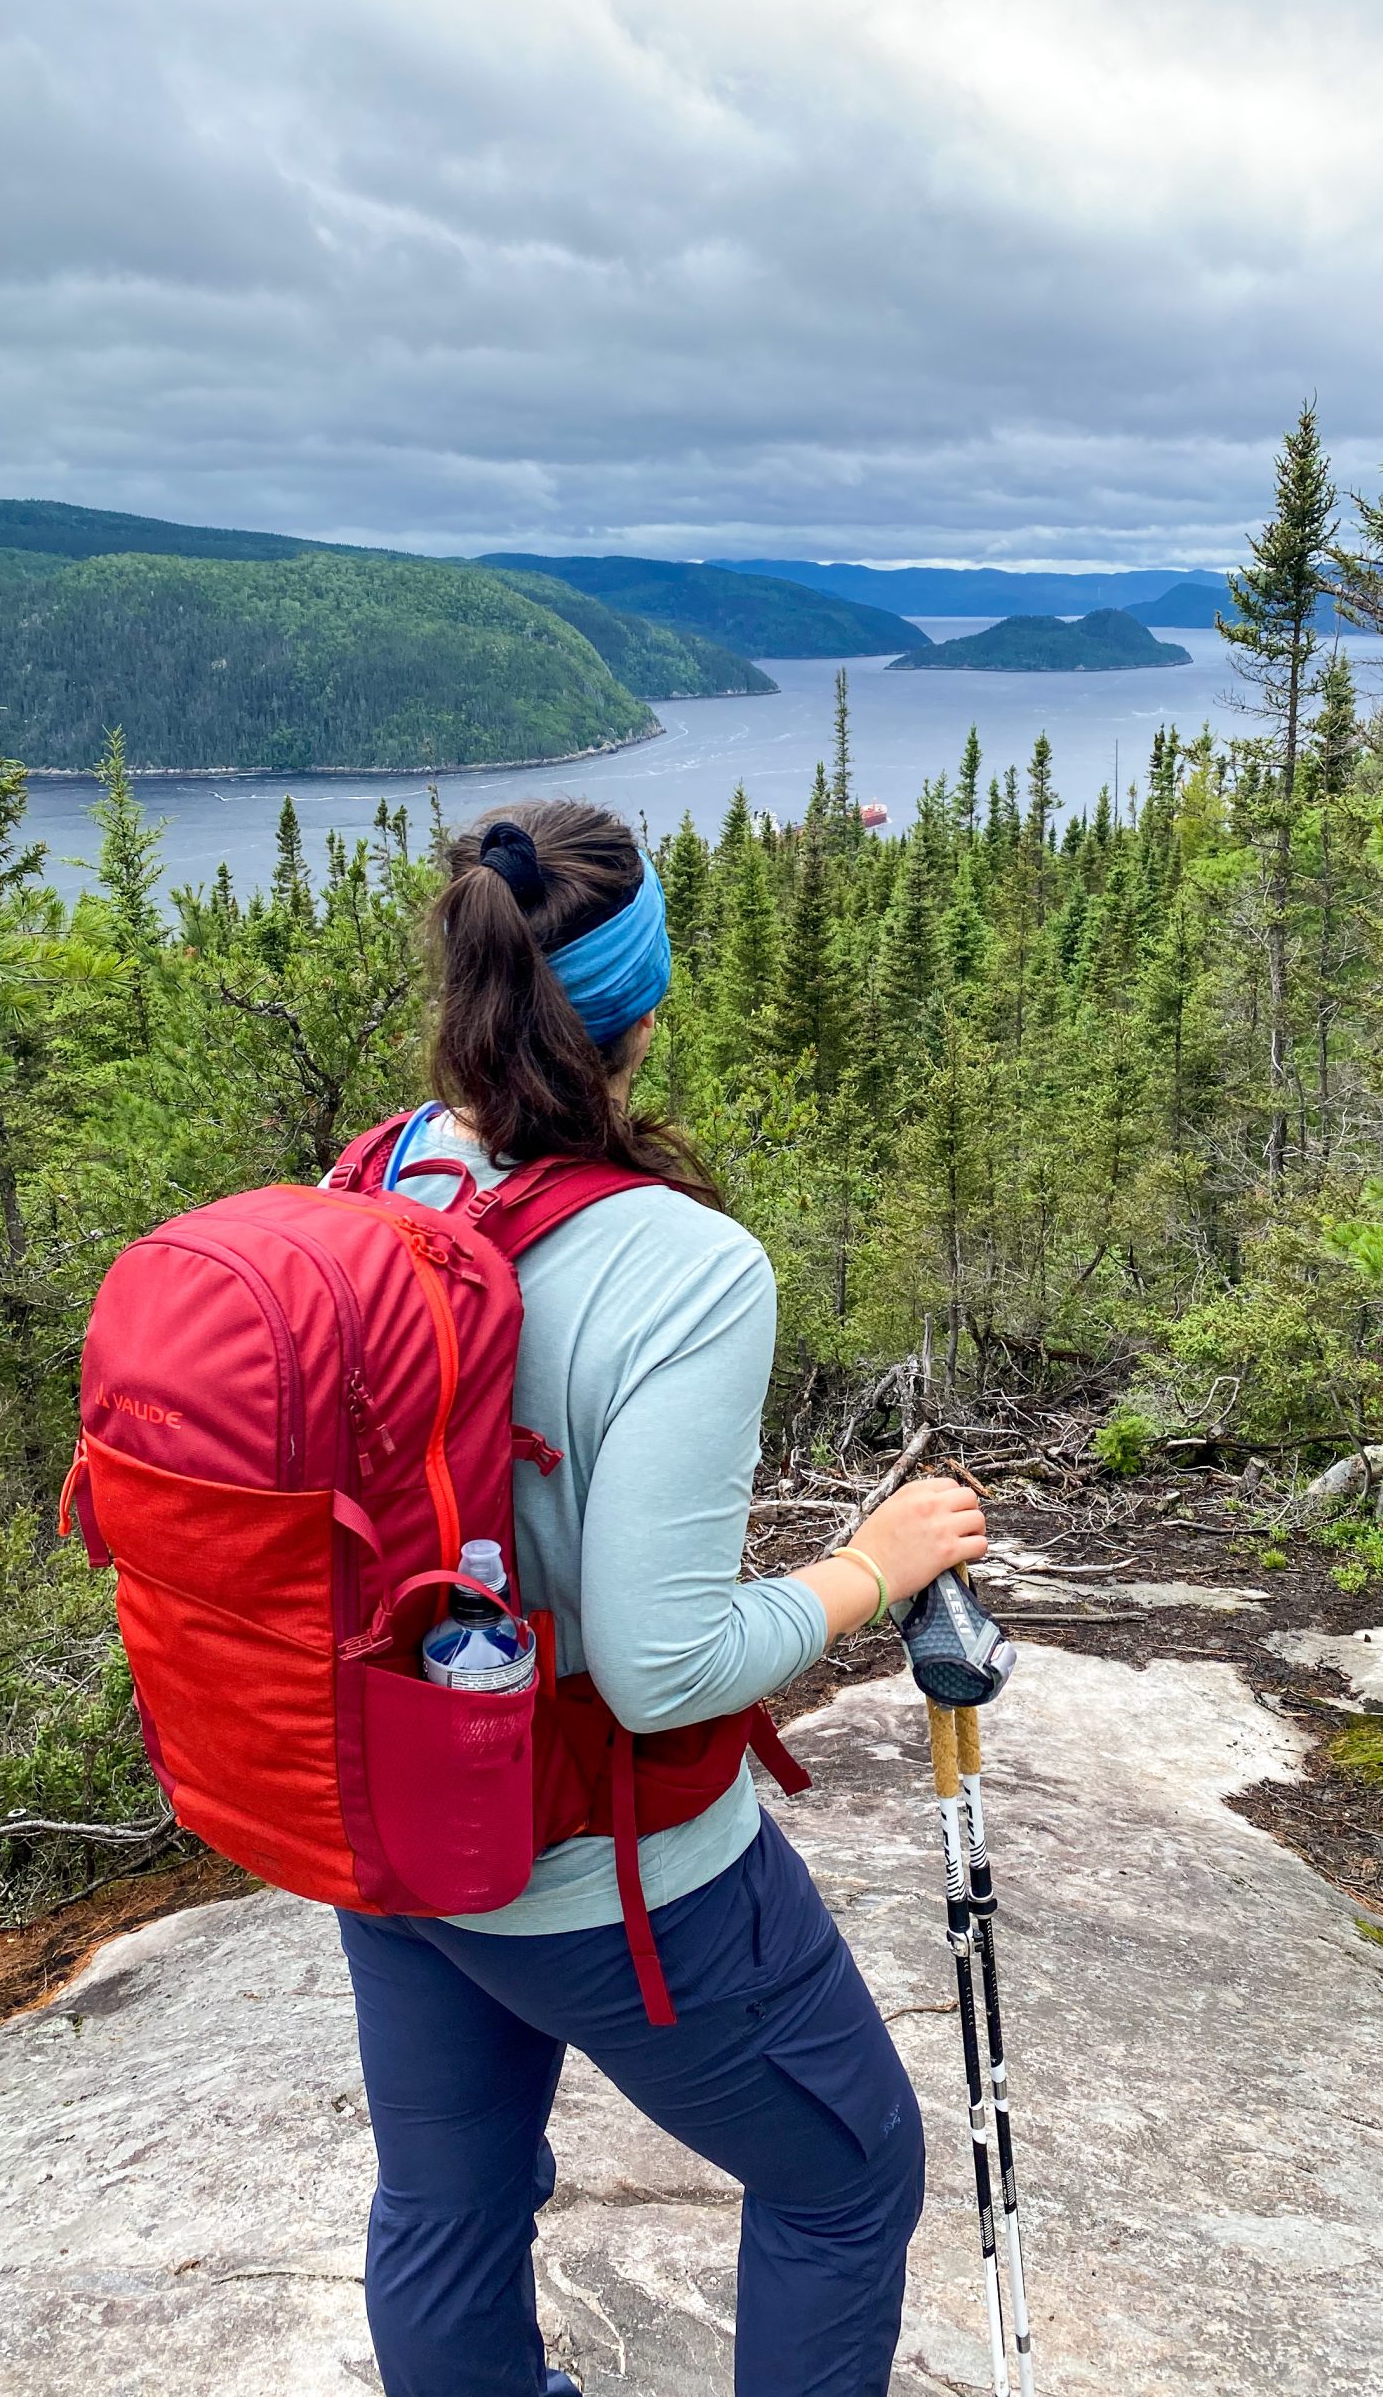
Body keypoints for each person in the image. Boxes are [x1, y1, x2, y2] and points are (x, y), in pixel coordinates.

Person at [336, 798, 989, 2397]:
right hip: (593, 1863)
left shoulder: (383, 1174)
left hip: (391, 1820)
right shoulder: (683, 1267)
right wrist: (872, 1568)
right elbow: (661, 1666)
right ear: (647, 1004)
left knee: (447, 2199)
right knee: (847, 2176)